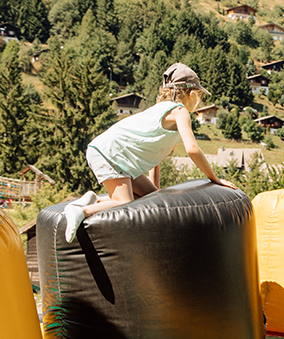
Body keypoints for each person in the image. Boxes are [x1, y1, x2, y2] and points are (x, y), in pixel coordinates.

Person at [63, 62, 237, 242]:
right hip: (110, 154)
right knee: (125, 204)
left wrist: (154, 193)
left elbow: (156, 159)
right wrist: (214, 178)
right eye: (199, 96)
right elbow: (192, 149)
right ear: (192, 94)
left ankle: (94, 200)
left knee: (150, 199)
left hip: (119, 158)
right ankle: (81, 211)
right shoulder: (180, 112)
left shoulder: (161, 111)